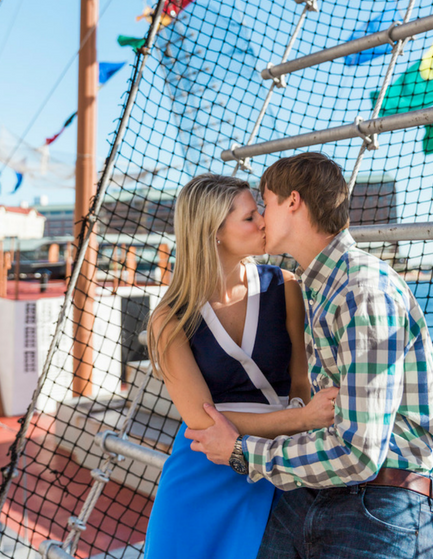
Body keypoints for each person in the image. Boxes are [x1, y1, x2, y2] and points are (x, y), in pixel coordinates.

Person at [187, 153, 433, 559]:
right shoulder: (317, 289)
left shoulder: (361, 289)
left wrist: (242, 451)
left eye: (265, 202)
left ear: (292, 202)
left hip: (378, 507)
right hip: (313, 495)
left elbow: (359, 453)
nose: (261, 216)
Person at [144, 173, 338, 559]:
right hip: (200, 478)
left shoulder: (286, 286)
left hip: (273, 469)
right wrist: (302, 420)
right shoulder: (169, 319)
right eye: (250, 217)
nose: (265, 221)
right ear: (214, 231)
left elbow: (300, 382)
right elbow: (202, 424)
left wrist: (295, 424)